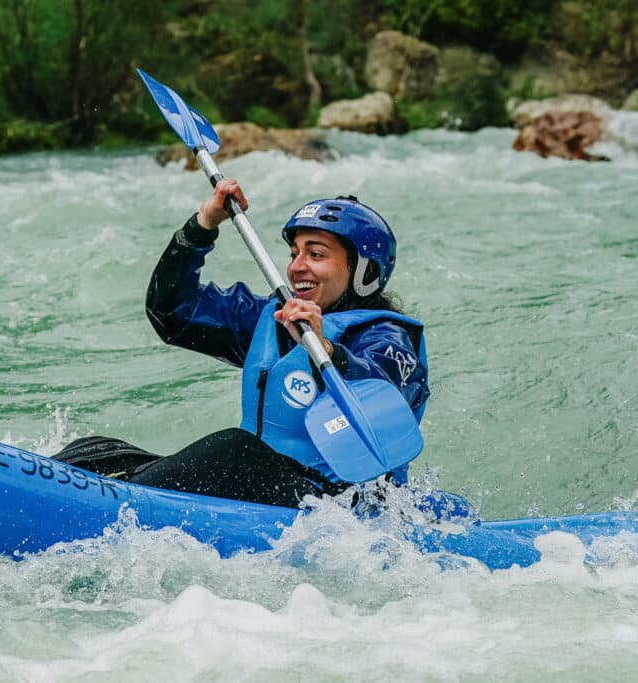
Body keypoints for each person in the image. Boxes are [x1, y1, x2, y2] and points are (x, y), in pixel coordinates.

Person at [55, 179, 429, 508]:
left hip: (334, 509)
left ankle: (104, 504)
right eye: (295, 253)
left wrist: (328, 352)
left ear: (364, 273)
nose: (297, 266)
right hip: (258, 488)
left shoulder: (390, 339)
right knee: (96, 450)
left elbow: (383, 390)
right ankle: (72, 484)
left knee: (236, 450)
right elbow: (172, 311)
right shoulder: (271, 318)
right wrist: (204, 225)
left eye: (316, 254)